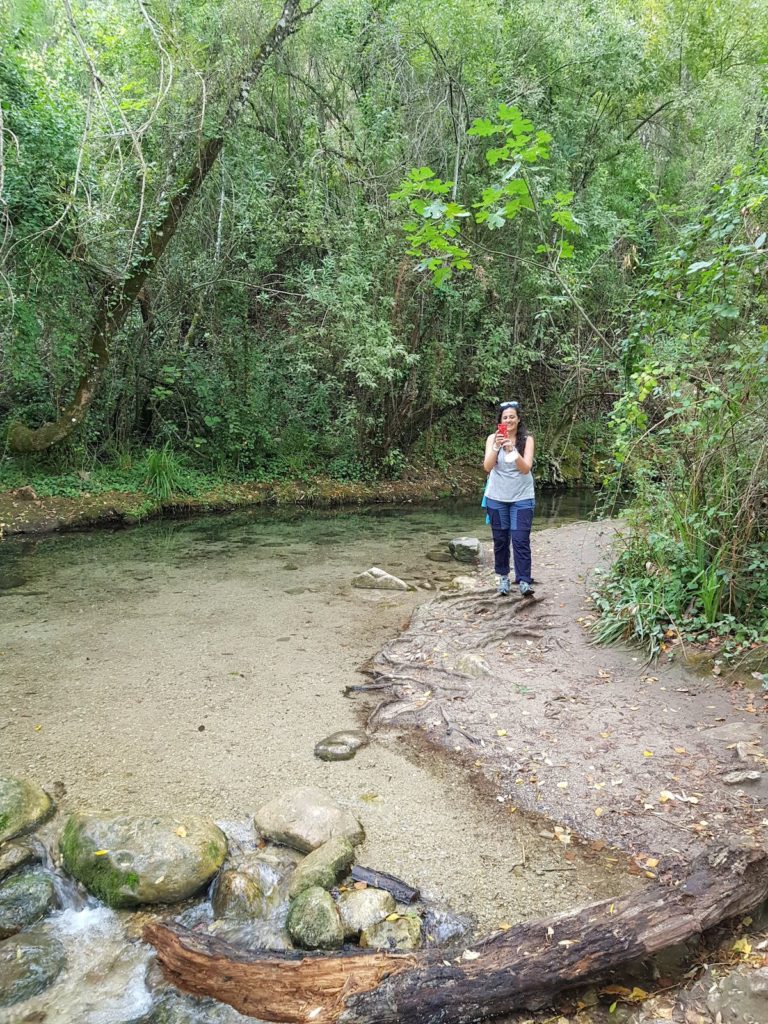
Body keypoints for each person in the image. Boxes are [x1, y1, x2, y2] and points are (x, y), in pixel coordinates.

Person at [482, 400, 536, 597]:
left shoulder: (526, 440)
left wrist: (512, 450)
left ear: (518, 419)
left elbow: (525, 468)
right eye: (505, 417)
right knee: (501, 540)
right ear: (500, 421)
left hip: (522, 497)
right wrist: (497, 447)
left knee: (520, 539)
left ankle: (524, 580)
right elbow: (487, 467)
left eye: (512, 416)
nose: (509, 420)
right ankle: (503, 579)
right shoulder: (492, 439)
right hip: (497, 497)